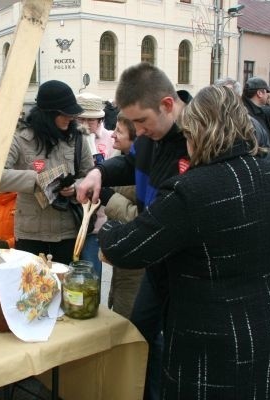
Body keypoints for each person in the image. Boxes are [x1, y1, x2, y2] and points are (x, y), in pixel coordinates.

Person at [99, 85, 270, 398]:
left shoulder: (191, 190)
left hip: (211, 339)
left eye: (189, 134)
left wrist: (108, 227)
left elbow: (127, 248)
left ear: (199, 133)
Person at [77, 63, 190, 400]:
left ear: (167, 105)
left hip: (181, 260)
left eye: (142, 121)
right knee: (139, 332)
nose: (137, 130)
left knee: (174, 344)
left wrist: (119, 239)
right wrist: (99, 173)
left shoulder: (195, 140)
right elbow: (129, 163)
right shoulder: (150, 134)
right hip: (153, 257)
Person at [0, 80, 93, 265]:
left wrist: (75, 187)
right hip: (30, 233)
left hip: (67, 231)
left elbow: (91, 175)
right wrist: (37, 180)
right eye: (64, 114)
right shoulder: (20, 138)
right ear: (48, 114)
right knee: (31, 290)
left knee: (66, 290)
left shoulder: (78, 139)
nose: (70, 118)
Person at [99, 112, 144, 319]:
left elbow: (147, 218)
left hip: (139, 260)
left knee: (131, 318)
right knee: (117, 304)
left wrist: (109, 199)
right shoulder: (118, 159)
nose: (113, 135)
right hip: (122, 252)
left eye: (119, 131)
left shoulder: (146, 168)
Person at [75, 92, 116, 278]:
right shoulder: (70, 139)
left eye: (89, 120)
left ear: (100, 119)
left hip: (97, 218)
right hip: (72, 216)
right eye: (80, 119)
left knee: (91, 275)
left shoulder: (110, 139)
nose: (84, 124)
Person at [242, 76, 270, 161]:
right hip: (259, 165)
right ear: (260, 93)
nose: (268, 95)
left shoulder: (259, 112)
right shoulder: (245, 114)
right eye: (267, 92)